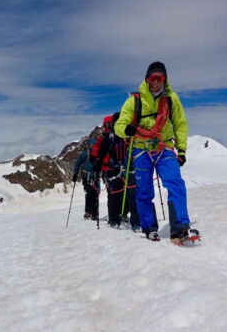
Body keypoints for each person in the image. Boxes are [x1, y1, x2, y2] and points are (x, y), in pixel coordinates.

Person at [114, 61, 199, 242]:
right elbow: (119, 126)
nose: (156, 81)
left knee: (175, 183)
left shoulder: (171, 98)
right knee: (144, 191)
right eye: (153, 77)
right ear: (147, 78)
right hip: (140, 150)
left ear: (165, 79)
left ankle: (180, 227)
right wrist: (126, 130)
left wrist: (182, 150)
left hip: (164, 148)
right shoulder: (134, 101)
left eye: (160, 78)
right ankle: (149, 228)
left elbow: (180, 124)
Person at [93, 113, 140, 231]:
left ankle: (117, 219)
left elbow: (101, 152)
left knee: (121, 195)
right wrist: (98, 165)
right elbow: (101, 152)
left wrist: (98, 166)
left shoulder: (111, 137)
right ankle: (125, 220)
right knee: (125, 194)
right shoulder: (113, 137)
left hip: (118, 168)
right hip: (120, 168)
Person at [72, 138, 100, 220]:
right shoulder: (96, 153)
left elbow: (77, 163)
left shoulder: (84, 153)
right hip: (94, 177)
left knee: (91, 194)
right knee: (94, 194)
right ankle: (93, 214)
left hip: (87, 176)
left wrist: (75, 174)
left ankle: (89, 213)